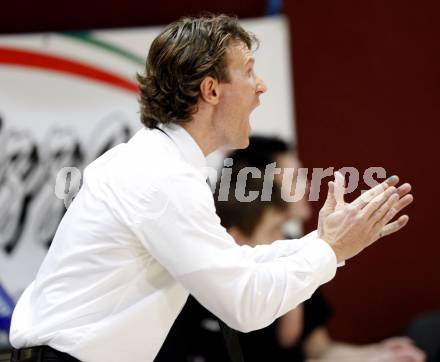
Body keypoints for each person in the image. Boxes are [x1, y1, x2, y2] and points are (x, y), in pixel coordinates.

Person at [9, 15, 413, 362]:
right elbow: (245, 303)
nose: (261, 86)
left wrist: (324, 242)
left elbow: (235, 264)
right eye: (250, 71)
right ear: (211, 90)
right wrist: (330, 250)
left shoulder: (158, 163)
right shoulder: (161, 177)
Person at [156, 136, 424, 362]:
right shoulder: (199, 278)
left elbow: (312, 347)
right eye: (295, 177)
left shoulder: (297, 251)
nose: (307, 185)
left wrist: (375, 355)